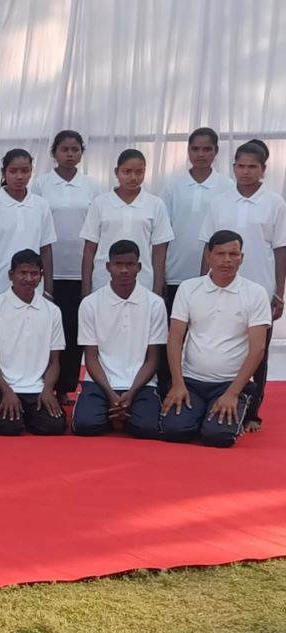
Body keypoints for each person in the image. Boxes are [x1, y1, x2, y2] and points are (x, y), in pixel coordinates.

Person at [199, 141, 286, 432]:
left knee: (257, 351)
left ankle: (251, 412)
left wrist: (279, 292)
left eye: (252, 167)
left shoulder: (275, 203)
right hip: (219, 285)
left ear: (263, 170)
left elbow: (281, 249)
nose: (246, 171)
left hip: (260, 289)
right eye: (241, 166)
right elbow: (207, 246)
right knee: (217, 342)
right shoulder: (218, 202)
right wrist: (201, 283)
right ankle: (211, 399)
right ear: (233, 167)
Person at [161, 230, 270, 447]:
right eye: (220, 254)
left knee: (218, 437)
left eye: (233, 254)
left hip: (230, 384)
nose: (227, 260)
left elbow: (257, 349)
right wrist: (178, 383)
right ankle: (202, 412)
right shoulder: (188, 288)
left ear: (242, 258)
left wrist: (232, 393)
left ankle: (238, 405)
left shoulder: (256, 293)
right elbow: (175, 338)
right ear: (208, 255)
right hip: (191, 381)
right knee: (174, 430)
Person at [31, 130, 106, 403]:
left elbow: (98, 228)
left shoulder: (92, 187)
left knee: (74, 332)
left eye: (75, 149)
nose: (70, 154)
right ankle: (38, 384)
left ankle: (65, 387)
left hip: (81, 270)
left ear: (81, 153)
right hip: (48, 271)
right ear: (54, 153)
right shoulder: (41, 185)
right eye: (64, 149)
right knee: (46, 330)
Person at [72, 240, 166, 437]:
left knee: (147, 428)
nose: (124, 270)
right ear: (108, 266)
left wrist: (131, 392)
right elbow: (91, 357)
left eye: (130, 264)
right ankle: (116, 414)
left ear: (139, 267)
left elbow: (153, 358)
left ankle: (119, 415)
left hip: (141, 384)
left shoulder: (155, 304)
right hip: (100, 383)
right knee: (85, 426)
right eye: (118, 264)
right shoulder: (90, 304)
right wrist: (110, 394)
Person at [0, 249, 66, 436]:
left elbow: (54, 360)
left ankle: (28, 414)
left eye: (34, 274)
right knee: (9, 427)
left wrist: (48, 390)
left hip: (36, 388)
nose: (28, 279)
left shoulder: (52, 311)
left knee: (54, 426)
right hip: (0, 387)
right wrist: (7, 391)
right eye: (23, 273)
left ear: (41, 276)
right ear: (11, 275)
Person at [80, 149, 173, 297]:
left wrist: (157, 289)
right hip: (103, 281)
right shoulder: (100, 203)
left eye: (139, 172)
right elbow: (89, 249)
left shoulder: (155, 204)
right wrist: (86, 290)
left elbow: (159, 252)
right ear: (116, 172)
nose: (133, 177)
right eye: (127, 172)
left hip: (143, 282)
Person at [0, 148, 57, 309]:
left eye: (25, 171)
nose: (19, 176)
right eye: (13, 171)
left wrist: (48, 290)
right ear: (4, 173)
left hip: (34, 289)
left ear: (31, 172)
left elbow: (46, 249)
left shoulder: (41, 206)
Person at [162, 127, 232, 313]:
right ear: (188, 150)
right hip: (175, 272)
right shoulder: (173, 185)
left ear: (216, 151)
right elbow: (162, 233)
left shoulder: (227, 186)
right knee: (176, 325)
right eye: (195, 149)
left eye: (207, 149)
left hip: (215, 274)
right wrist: (161, 274)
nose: (201, 154)